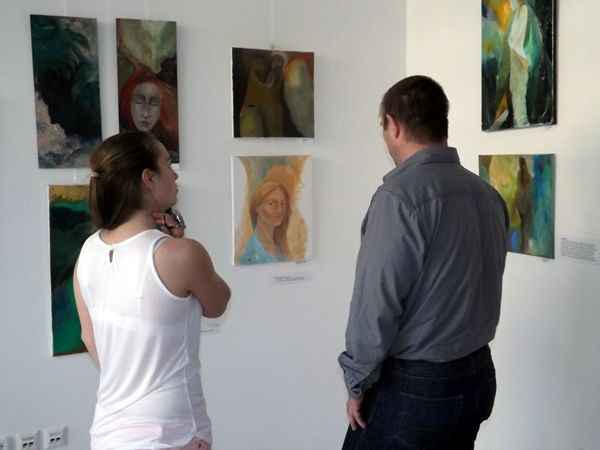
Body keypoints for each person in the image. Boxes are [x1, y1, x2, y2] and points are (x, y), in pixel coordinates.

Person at [338, 75, 509, 449]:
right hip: (478, 377)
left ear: (394, 125)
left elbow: (375, 305)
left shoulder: (398, 198)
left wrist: (356, 382)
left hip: (418, 389)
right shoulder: (488, 195)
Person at [73, 131, 231, 450]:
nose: (175, 175)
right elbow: (218, 303)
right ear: (148, 178)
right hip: (172, 434)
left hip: (108, 435)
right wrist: (179, 244)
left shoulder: (88, 251)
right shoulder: (182, 254)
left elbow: (89, 338)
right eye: (168, 164)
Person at [240, 179, 291, 265]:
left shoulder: (278, 246)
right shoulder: (253, 253)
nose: (279, 209)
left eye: (282, 203)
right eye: (271, 203)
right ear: (257, 207)